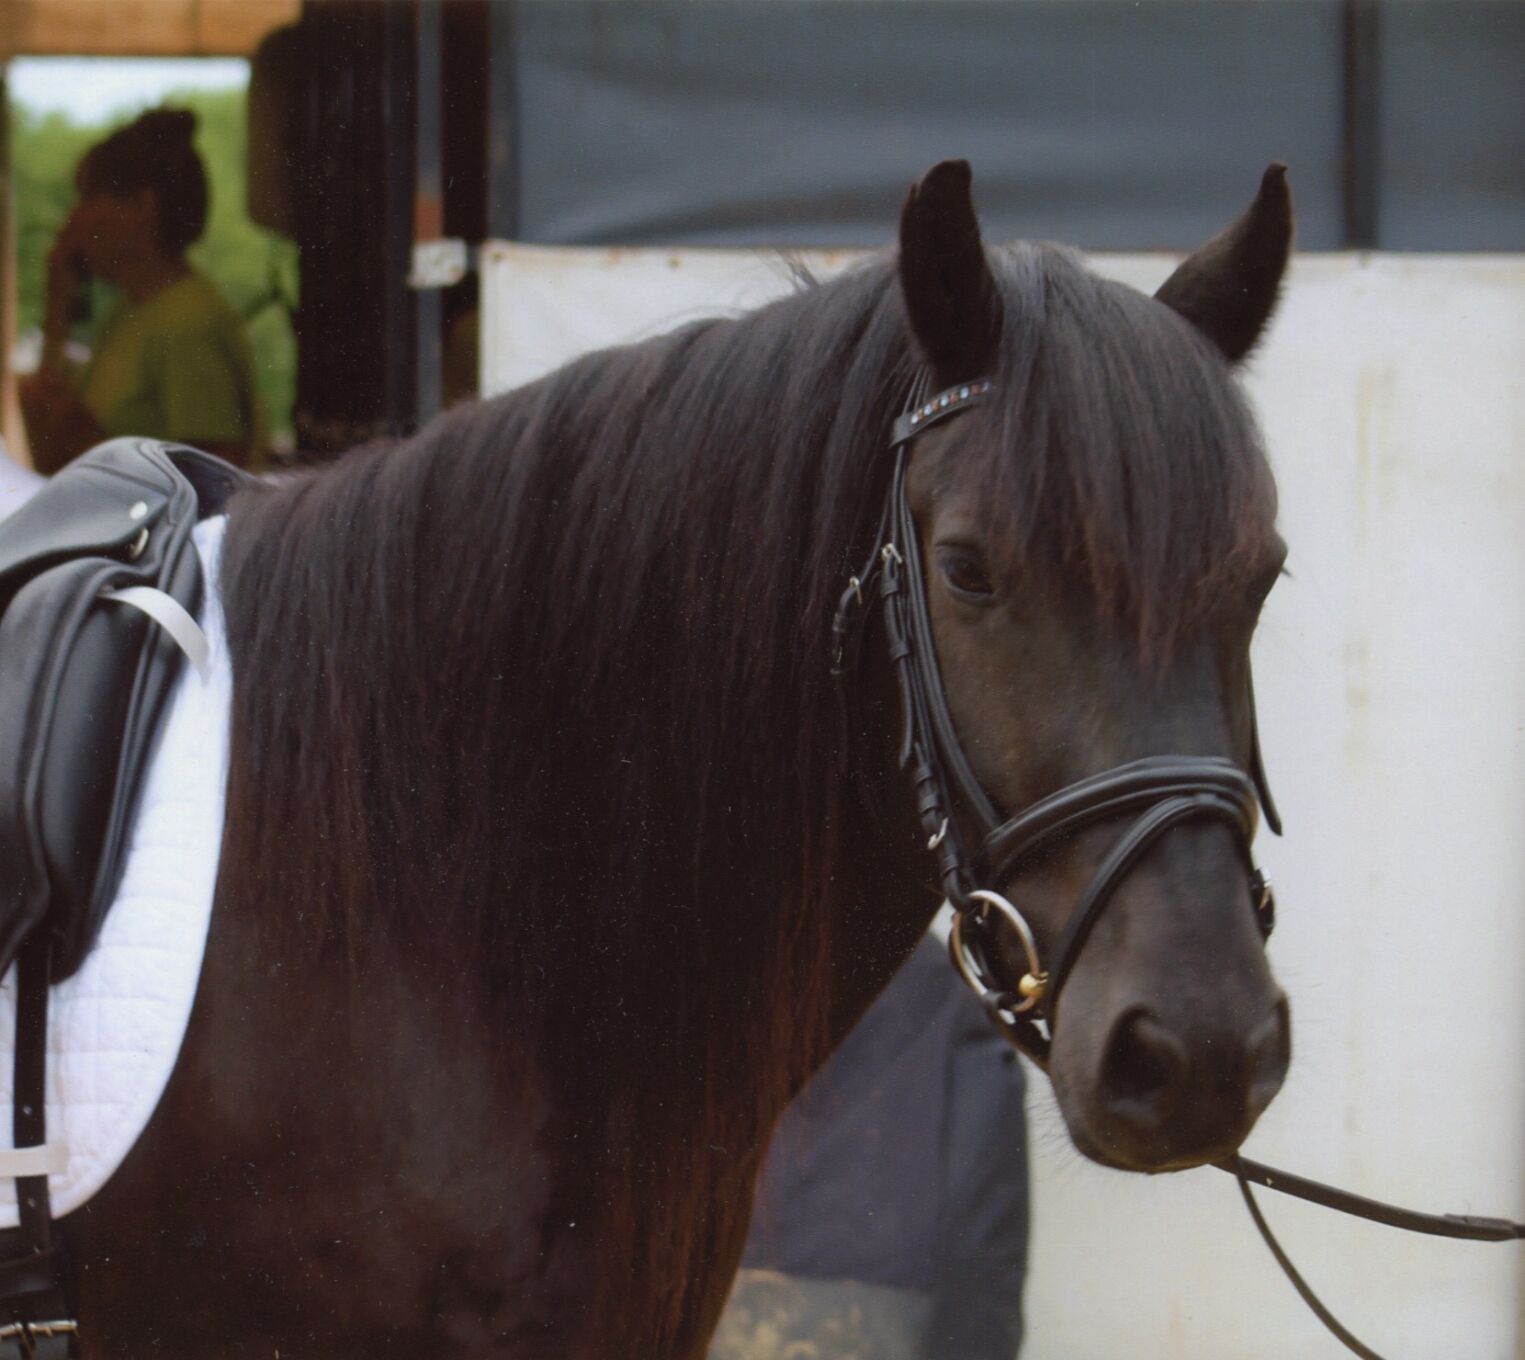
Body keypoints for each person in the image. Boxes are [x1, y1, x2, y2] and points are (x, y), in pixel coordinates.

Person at [712, 928, 1029, 1360]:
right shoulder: (943, 980)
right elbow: (980, 1218)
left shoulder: (712, 955)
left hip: (714, 1308)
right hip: (887, 1317)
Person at [19, 107, 260, 475]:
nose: (73, 220)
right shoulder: (134, 310)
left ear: (142, 207)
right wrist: (59, 307)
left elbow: (212, 479)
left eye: (88, 198)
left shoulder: (188, 323)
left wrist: (76, 433)